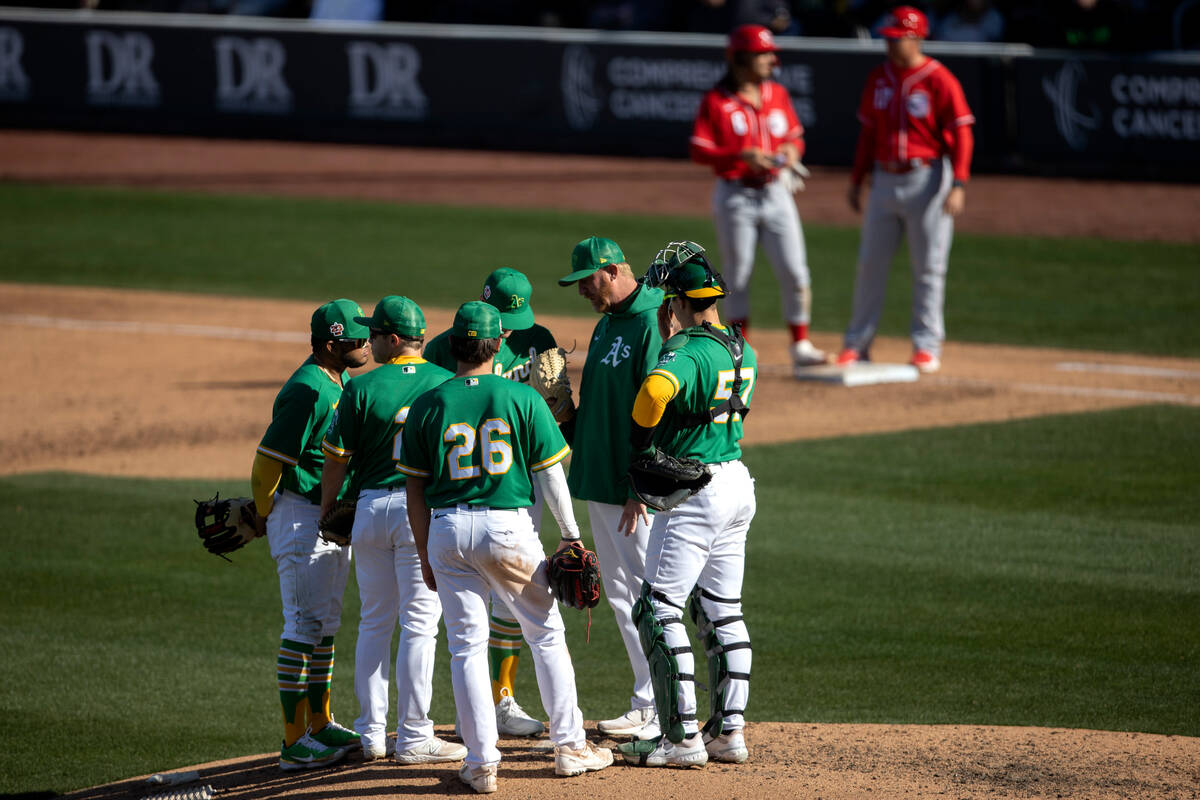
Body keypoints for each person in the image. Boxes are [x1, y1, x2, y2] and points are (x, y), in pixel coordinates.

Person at [399, 301, 614, 793]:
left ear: (453, 345)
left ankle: (480, 764)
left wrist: (425, 551)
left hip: (447, 533)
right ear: (498, 345)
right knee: (545, 633)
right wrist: (571, 535)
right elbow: (550, 474)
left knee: (465, 649)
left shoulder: (429, 404)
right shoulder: (522, 398)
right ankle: (571, 746)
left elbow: (415, 489)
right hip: (507, 531)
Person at [615, 241, 758, 769]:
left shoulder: (689, 350)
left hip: (696, 489)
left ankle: (680, 740)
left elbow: (654, 392)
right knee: (723, 609)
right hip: (737, 480)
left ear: (676, 301)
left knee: (657, 608)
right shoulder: (744, 348)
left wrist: (641, 448)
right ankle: (729, 734)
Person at [317, 296, 467, 765]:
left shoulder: (361, 389)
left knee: (374, 623)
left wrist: (327, 513)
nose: (369, 341)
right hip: (419, 513)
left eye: (375, 334)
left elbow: (335, 460)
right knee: (419, 625)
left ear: (394, 339)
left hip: (369, 512)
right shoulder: (446, 384)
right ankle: (415, 735)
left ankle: (371, 735)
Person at [424, 267, 558, 738]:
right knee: (471, 613)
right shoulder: (447, 346)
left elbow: (557, 401)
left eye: (516, 320)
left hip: (523, 485)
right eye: (502, 319)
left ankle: (502, 699)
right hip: (468, 489)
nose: (509, 330)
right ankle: (475, 715)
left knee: (511, 600)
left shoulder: (540, 339)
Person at [250, 299, 370, 771]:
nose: (362, 344)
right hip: (299, 516)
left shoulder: (337, 381)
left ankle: (320, 723)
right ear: (328, 346)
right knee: (301, 624)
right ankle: (292, 740)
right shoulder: (307, 389)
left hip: (329, 518)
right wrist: (262, 514)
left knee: (326, 624)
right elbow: (268, 460)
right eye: (353, 340)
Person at [556, 235, 663, 740]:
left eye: (587, 281)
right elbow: (598, 411)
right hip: (599, 480)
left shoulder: (652, 321)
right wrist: (563, 416)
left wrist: (641, 486)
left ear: (615, 270)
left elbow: (658, 413)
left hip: (631, 490)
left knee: (647, 593)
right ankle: (648, 700)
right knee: (622, 594)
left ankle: (664, 705)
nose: (582, 291)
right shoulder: (604, 327)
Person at [838, 5, 974, 374]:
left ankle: (926, 345)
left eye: (898, 38)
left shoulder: (938, 78)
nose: (891, 45)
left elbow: (962, 131)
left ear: (916, 38)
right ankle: (857, 344)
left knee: (928, 266)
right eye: (889, 38)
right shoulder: (878, 78)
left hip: (927, 178)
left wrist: (958, 183)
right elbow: (867, 134)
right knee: (870, 264)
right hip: (883, 179)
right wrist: (857, 179)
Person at [689, 23, 827, 377]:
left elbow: (796, 138)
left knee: (796, 270)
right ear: (740, 58)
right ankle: (739, 349)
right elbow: (699, 150)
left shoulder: (777, 93)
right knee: (738, 274)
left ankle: (800, 344)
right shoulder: (717, 100)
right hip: (737, 196)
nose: (770, 60)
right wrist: (740, 154)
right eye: (763, 53)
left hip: (777, 191)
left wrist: (791, 152)